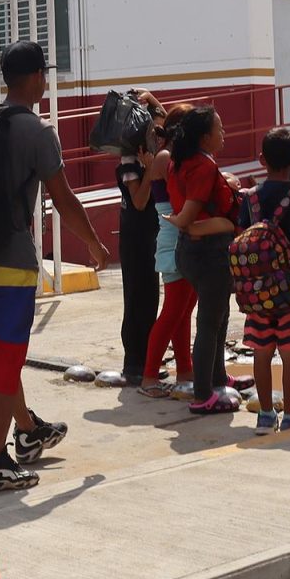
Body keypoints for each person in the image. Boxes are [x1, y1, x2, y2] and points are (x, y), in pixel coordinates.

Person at [0, 41, 111, 493]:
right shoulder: (37, 131)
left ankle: (26, 432)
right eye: (44, 74)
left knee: (1, 363)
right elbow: (63, 199)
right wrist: (94, 243)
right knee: (5, 368)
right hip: (11, 269)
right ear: (33, 79)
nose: (46, 82)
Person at [237, 128, 290, 432]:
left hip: (257, 293)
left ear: (261, 159)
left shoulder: (249, 198)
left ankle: (263, 415)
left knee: (261, 353)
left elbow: (242, 239)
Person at [165, 106, 243, 414]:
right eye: (219, 130)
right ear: (204, 137)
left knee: (218, 315)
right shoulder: (202, 166)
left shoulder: (178, 162)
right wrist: (226, 225)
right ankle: (203, 395)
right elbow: (188, 217)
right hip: (208, 252)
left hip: (191, 250)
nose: (223, 134)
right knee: (209, 323)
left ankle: (218, 378)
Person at [138, 104, 200, 399]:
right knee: (173, 310)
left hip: (184, 235)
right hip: (174, 237)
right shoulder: (166, 157)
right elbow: (182, 198)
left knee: (184, 310)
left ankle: (185, 370)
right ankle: (149, 376)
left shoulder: (176, 156)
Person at [115, 91, 166, 384]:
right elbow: (139, 200)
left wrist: (151, 98)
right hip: (135, 237)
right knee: (137, 297)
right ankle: (134, 362)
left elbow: (164, 119)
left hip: (149, 234)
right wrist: (150, 169)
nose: (158, 136)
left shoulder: (145, 153)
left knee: (150, 297)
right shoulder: (129, 161)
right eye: (151, 131)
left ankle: (146, 359)